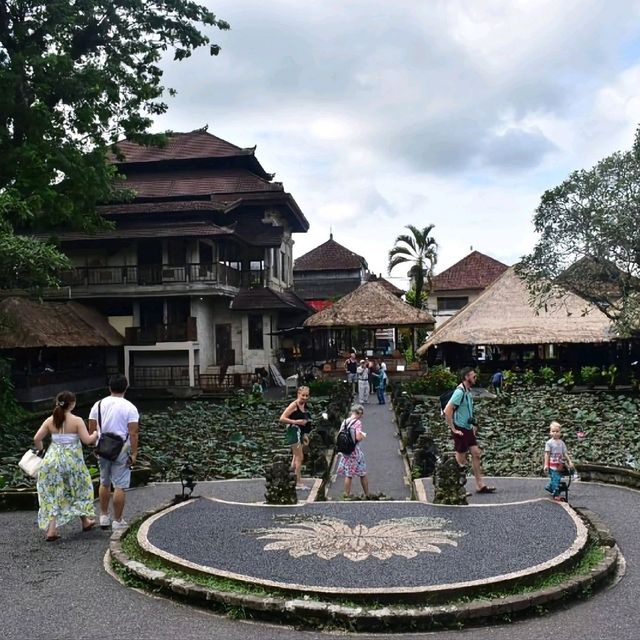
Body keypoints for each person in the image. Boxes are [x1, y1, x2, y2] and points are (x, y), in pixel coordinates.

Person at [33, 390, 98, 541]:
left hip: (51, 462)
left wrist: (42, 450)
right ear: (73, 404)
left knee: (53, 493)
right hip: (71, 462)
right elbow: (87, 441)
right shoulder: (77, 420)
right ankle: (85, 521)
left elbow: (37, 438)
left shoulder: (50, 420)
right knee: (78, 488)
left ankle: (53, 530)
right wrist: (95, 434)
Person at [88, 373, 139, 531]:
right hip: (122, 448)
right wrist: (134, 453)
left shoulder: (98, 405)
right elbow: (133, 433)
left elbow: (92, 428)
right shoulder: (130, 407)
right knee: (120, 485)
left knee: (104, 481)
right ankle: (118, 520)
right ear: (126, 387)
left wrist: (95, 446)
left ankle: (103, 516)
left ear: (110, 387)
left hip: (103, 446)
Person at [443, 366, 496, 494]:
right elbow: (447, 411)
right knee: (460, 460)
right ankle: (456, 487)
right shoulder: (459, 392)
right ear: (466, 377)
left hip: (468, 428)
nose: (475, 378)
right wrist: (453, 429)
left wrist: (473, 424)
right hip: (460, 428)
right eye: (473, 376)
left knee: (476, 454)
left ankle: (480, 484)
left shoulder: (468, 391)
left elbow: (467, 410)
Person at [280, 385, 312, 491]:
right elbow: (282, 418)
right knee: (299, 457)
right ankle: (298, 482)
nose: (305, 398)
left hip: (301, 432)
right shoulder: (293, 405)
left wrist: (305, 435)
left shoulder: (305, 406)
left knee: (295, 457)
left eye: (307, 396)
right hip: (294, 431)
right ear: (298, 394)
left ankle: (290, 476)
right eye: (303, 395)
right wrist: (295, 422)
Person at [336, 404, 369, 498]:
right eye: (361, 414)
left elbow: (340, 435)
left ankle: (347, 494)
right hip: (354, 452)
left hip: (345, 451)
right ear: (359, 413)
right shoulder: (357, 422)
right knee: (359, 473)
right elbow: (357, 437)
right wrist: (363, 436)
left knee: (349, 472)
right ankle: (363, 494)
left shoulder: (345, 421)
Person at [544, 421, 574, 501]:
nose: (555, 433)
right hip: (552, 465)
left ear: (560, 432)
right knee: (556, 478)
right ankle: (556, 494)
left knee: (556, 478)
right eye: (553, 431)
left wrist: (569, 461)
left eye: (557, 431)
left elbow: (565, 453)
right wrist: (546, 465)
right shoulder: (549, 443)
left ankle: (549, 487)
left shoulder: (561, 443)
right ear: (550, 432)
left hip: (560, 464)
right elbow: (547, 454)